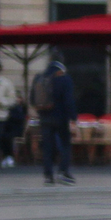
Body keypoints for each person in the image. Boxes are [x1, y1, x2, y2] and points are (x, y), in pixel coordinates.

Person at [32, 55, 76, 185]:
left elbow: (32, 100)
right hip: (61, 118)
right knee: (65, 145)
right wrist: (73, 118)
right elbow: (69, 101)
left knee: (47, 147)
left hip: (44, 118)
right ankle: (63, 172)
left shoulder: (38, 79)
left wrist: (41, 112)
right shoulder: (64, 79)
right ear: (60, 70)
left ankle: (48, 176)